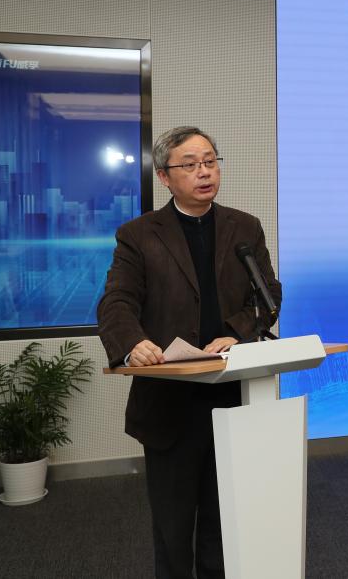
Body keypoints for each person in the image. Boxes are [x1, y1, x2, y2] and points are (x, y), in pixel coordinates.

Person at [97, 126, 281, 579]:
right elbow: (116, 302)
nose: (204, 172)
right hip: (171, 401)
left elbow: (267, 296)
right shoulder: (139, 235)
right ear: (164, 176)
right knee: (173, 528)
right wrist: (132, 344)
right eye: (191, 164)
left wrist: (237, 332)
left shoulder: (244, 227)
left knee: (225, 521)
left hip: (232, 395)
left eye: (210, 161)